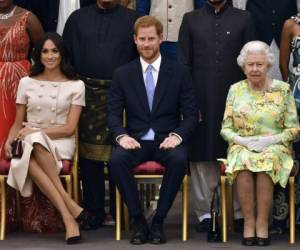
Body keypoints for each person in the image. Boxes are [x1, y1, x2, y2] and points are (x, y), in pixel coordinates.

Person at [108, 16, 197, 244]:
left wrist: (177, 136)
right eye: (142, 39)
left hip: (166, 140)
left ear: (160, 39)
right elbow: (113, 115)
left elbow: (190, 115)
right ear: (135, 40)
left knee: (179, 159)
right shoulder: (122, 74)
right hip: (135, 140)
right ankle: (138, 220)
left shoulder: (179, 72)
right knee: (116, 160)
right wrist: (121, 136)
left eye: (151, 39)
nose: (146, 44)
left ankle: (158, 221)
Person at [178, 0, 256, 232]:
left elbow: (251, 63)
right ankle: (204, 214)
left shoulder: (244, 18)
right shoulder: (191, 20)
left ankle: (239, 212)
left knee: (237, 153)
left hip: (237, 100)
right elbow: (184, 65)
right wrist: (189, 104)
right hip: (200, 98)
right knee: (203, 154)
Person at [5, 33, 89, 244]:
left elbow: (69, 128)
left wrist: (36, 132)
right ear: (38, 55)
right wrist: (8, 141)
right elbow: (17, 123)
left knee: (32, 146)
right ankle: (70, 213)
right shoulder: (26, 82)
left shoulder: (76, 85)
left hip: (60, 141)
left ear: (62, 55)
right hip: (29, 140)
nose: (50, 56)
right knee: (29, 149)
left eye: (54, 51)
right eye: (45, 51)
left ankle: (69, 214)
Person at [63, 0, 140, 229]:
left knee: (120, 153)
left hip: (122, 95)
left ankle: (121, 210)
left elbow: (140, 58)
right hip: (86, 95)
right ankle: (94, 211)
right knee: (89, 157)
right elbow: (66, 57)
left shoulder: (132, 19)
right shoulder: (77, 19)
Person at [220, 40, 299, 246]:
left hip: (275, 146)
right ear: (243, 66)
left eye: (259, 64)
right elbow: (225, 129)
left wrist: (271, 140)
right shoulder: (235, 90)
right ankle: (249, 223)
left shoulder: (283, 90)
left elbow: (294, 129)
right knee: (244, 162)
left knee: (267, 161)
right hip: (242, 144)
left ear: (268, 65)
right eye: (250, 64)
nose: (255, 69)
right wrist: (242, 140)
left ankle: (263, 223)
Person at [0, 0, 43, 231]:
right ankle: (3, 214)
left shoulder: (29, 17)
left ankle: (30, 213)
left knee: (19, 144)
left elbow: (44, 51)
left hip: (21, 86)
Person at [276, 12, 300, 233]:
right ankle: (288, 216)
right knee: (292, 153)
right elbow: (283, 65)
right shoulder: (291, 24)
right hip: (297, 98)